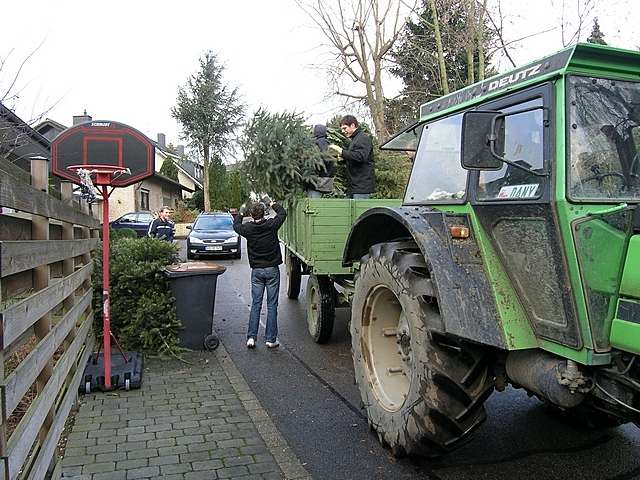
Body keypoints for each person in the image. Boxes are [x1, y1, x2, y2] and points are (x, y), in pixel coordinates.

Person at [233, 198, 287, 349]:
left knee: (256, 304)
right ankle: (270, 339)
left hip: (256, 271)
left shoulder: (248, 229)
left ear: (252, 214)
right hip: (272, 270)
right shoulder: (271, 225)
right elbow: (282, 213)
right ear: (264, 213)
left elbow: (236, 225)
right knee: (272, 305)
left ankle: (251, 338)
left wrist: (241, 212)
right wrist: (272, 203)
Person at [328, 115, 375, 199]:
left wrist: (341, 151)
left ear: (352, 125)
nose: (343, 131)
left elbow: (361, 156)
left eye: (345, 128)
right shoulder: (355, 139)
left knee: (359, 211)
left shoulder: (363, 138)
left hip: (361, 187)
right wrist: (341, 159)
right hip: (354, 186)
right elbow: (353, 157)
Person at [307, 124, 336, 198]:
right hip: (322, 179)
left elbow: (325, 159)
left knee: (314, 204)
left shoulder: (320, 142)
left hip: (319, 181)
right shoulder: (326, 142)